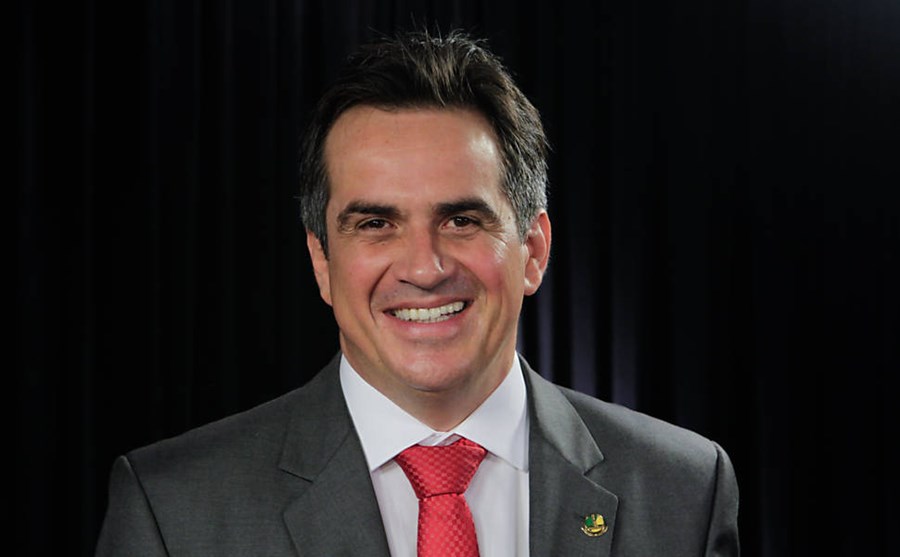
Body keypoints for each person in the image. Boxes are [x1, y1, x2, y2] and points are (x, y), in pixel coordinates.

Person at [96, 30, 739, 556]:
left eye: (462, 220)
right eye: (376, 224)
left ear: (533, 250)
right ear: (321, 261)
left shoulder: (683, 490)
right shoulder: (173, 511)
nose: (425, 268)